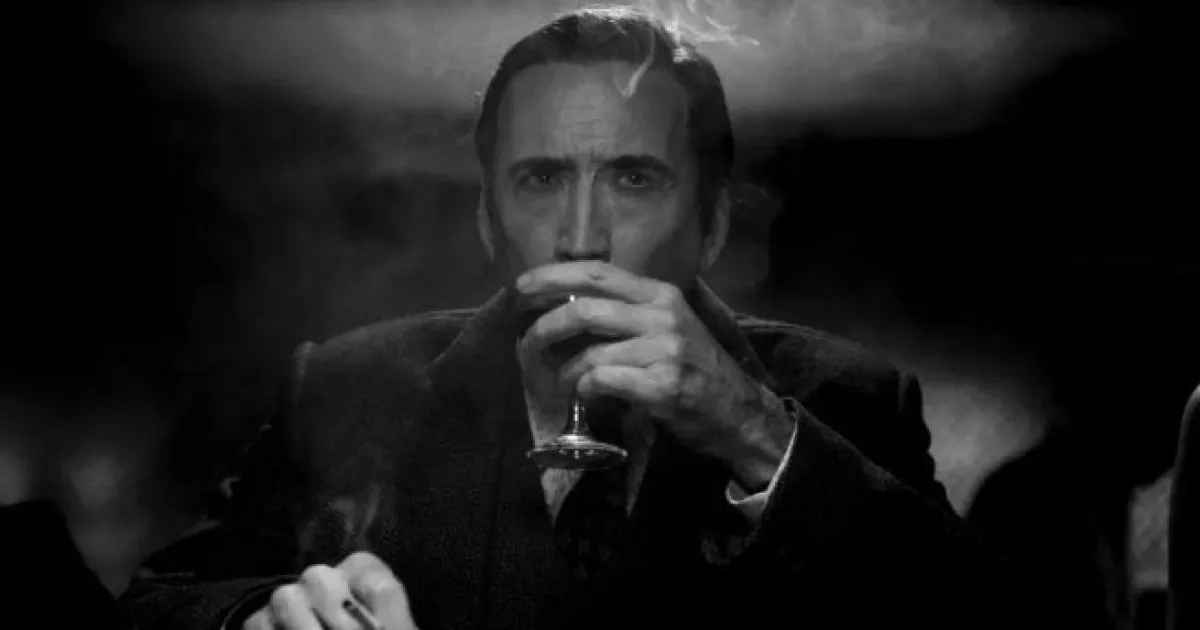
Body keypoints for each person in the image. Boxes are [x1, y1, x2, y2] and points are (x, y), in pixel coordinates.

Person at [118, 6, 1026, 630]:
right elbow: (156, 605)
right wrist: (259, 617)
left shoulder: (843, 397)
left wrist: (756, 433)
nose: (581, 234)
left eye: (633, 178)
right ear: (488, 219)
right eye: (542, 177)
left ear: (712, 224)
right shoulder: (348, 383)